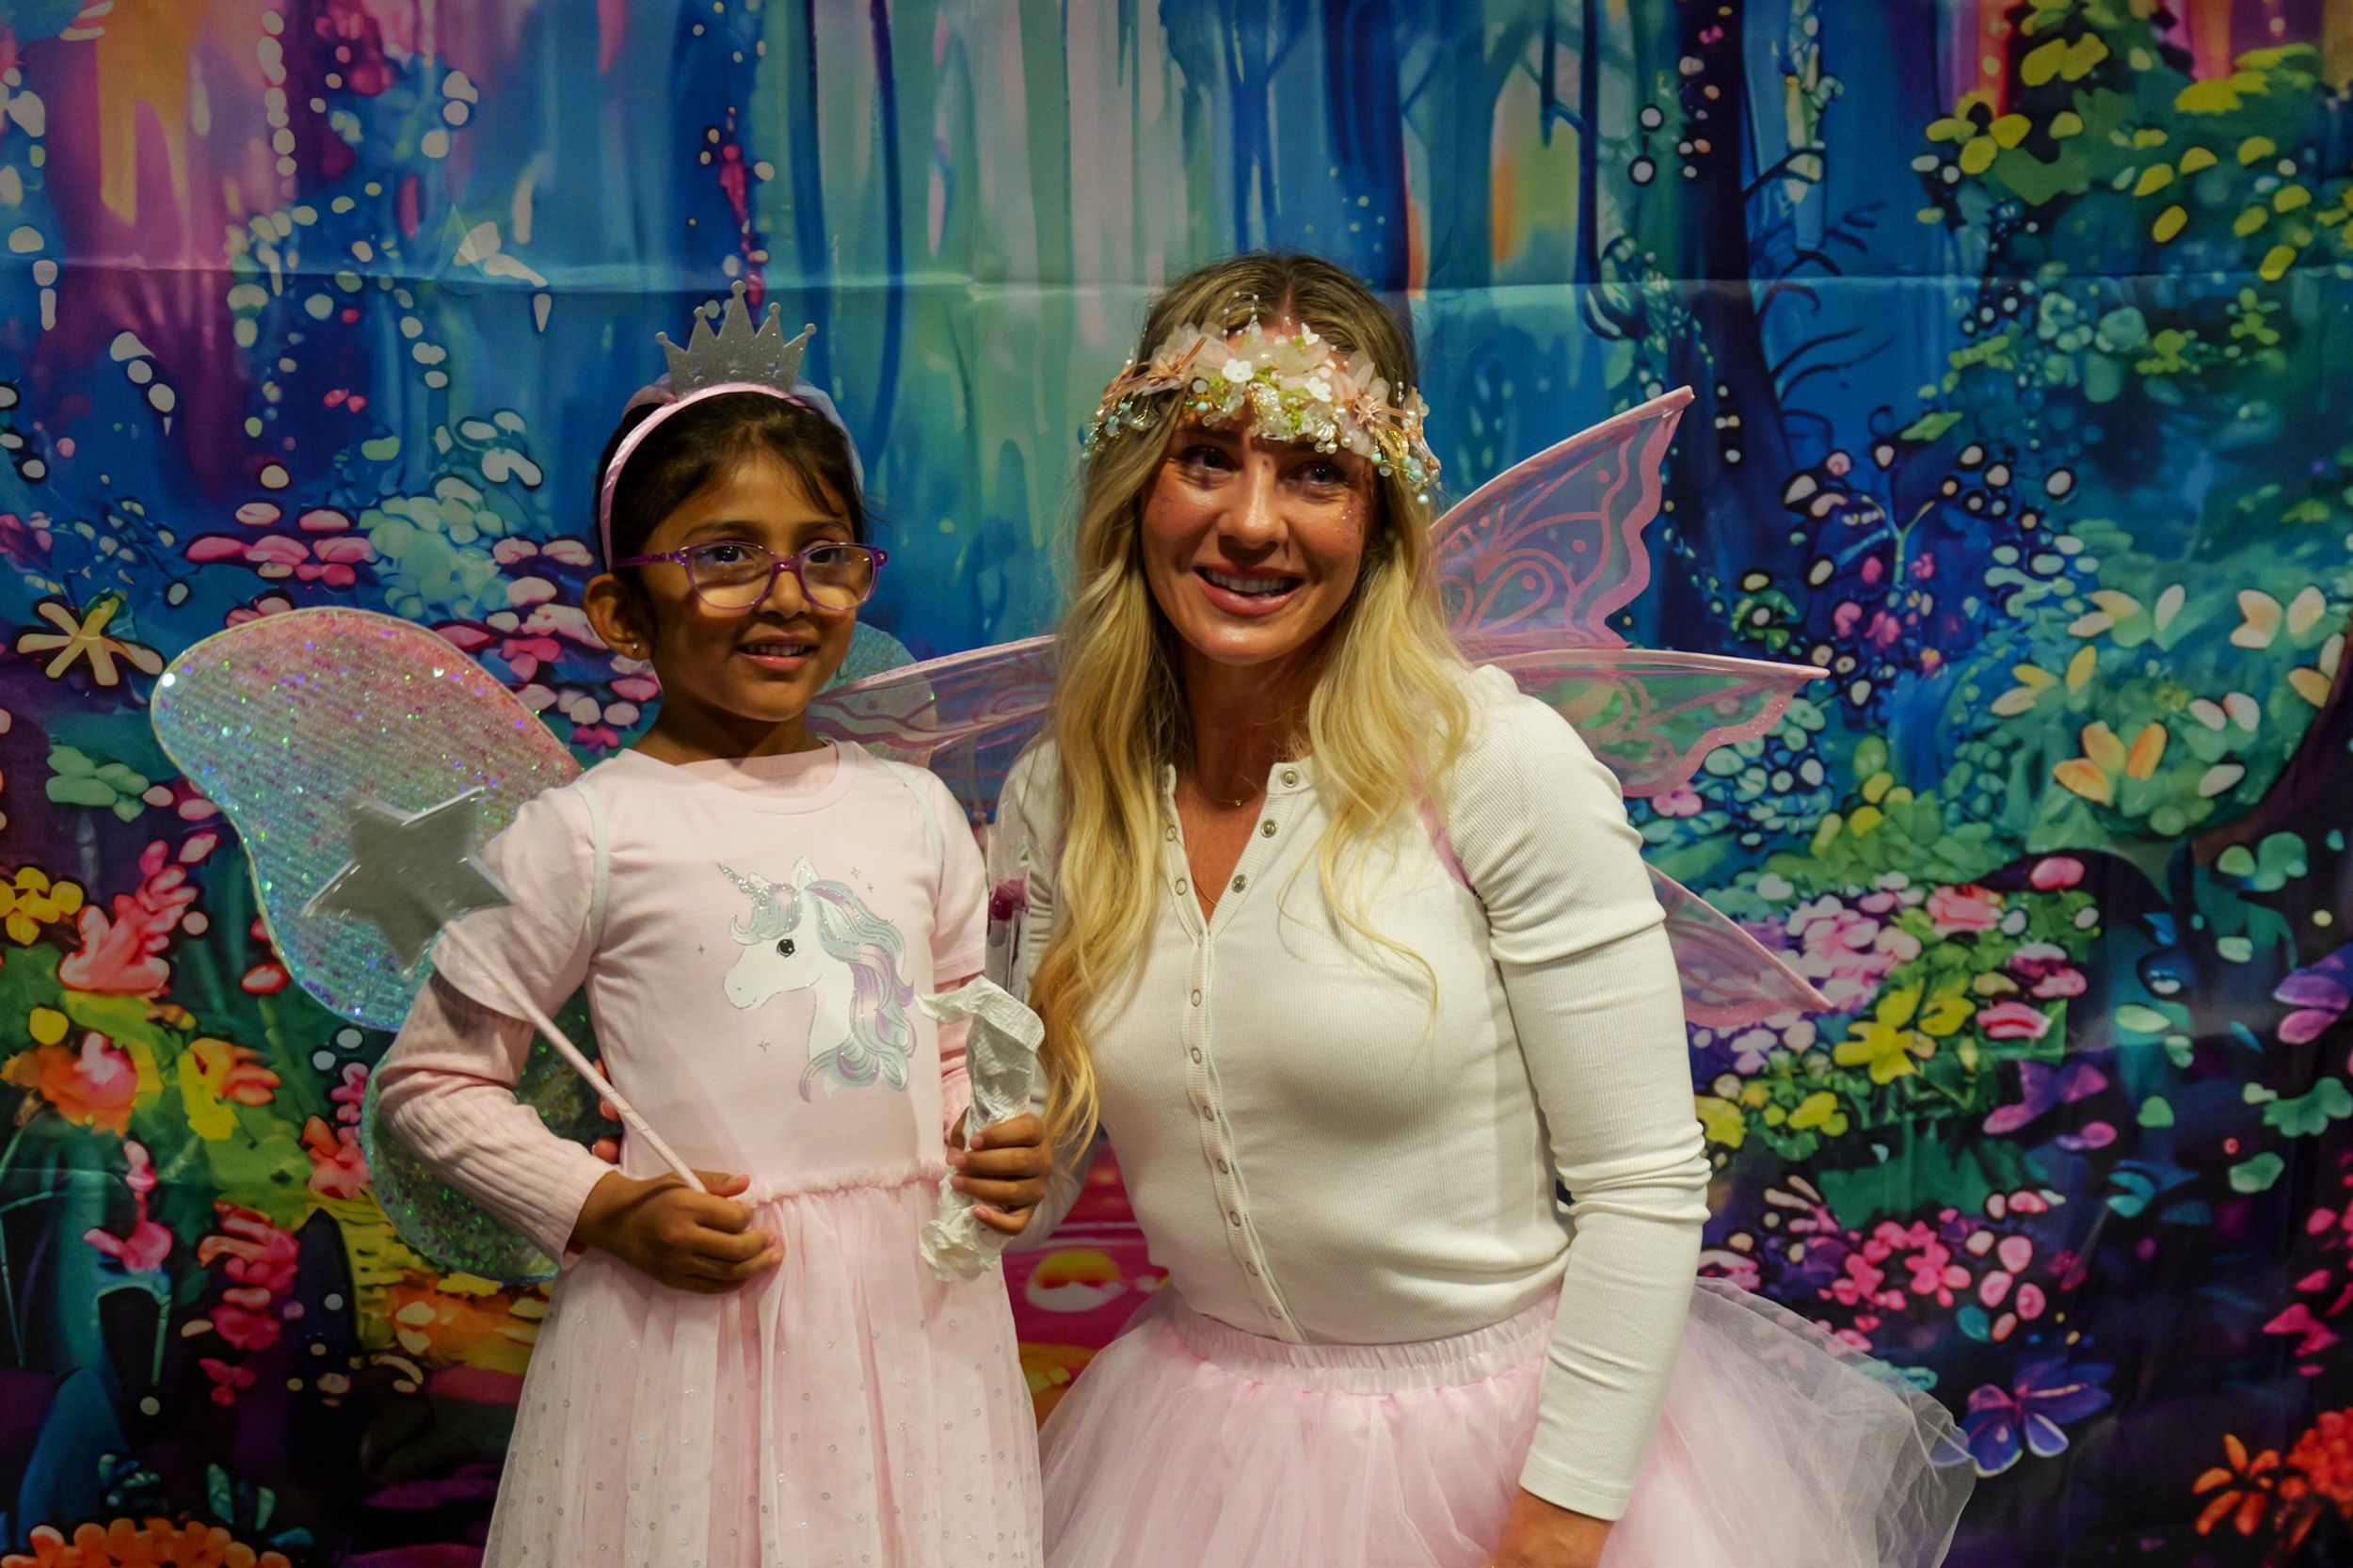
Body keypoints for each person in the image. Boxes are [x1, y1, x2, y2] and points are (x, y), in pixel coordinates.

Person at [1000, 251, 1974, 1568]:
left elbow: (1642, 1180)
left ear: (1381, 515)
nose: (1253, 522)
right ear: (1137, 484)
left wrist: (1560, 1521)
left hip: (1501, 1452)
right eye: (1208, 458)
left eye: (1318, 472)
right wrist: (983, 1166)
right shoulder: (1062, 791)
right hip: (1192, 1457)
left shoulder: (1491, 764)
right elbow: (1039, 1166)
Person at [371, 296, 1054, 1568]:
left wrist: (988, 1137)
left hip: (915, 1322)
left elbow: (962, 1042)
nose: (785, 595)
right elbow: (433, 1083)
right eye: (726, 555)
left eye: (823, 552)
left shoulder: (915, 813)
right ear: (622, 611)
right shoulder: (585, 834)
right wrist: (601, 1207)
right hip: (693, 1329)